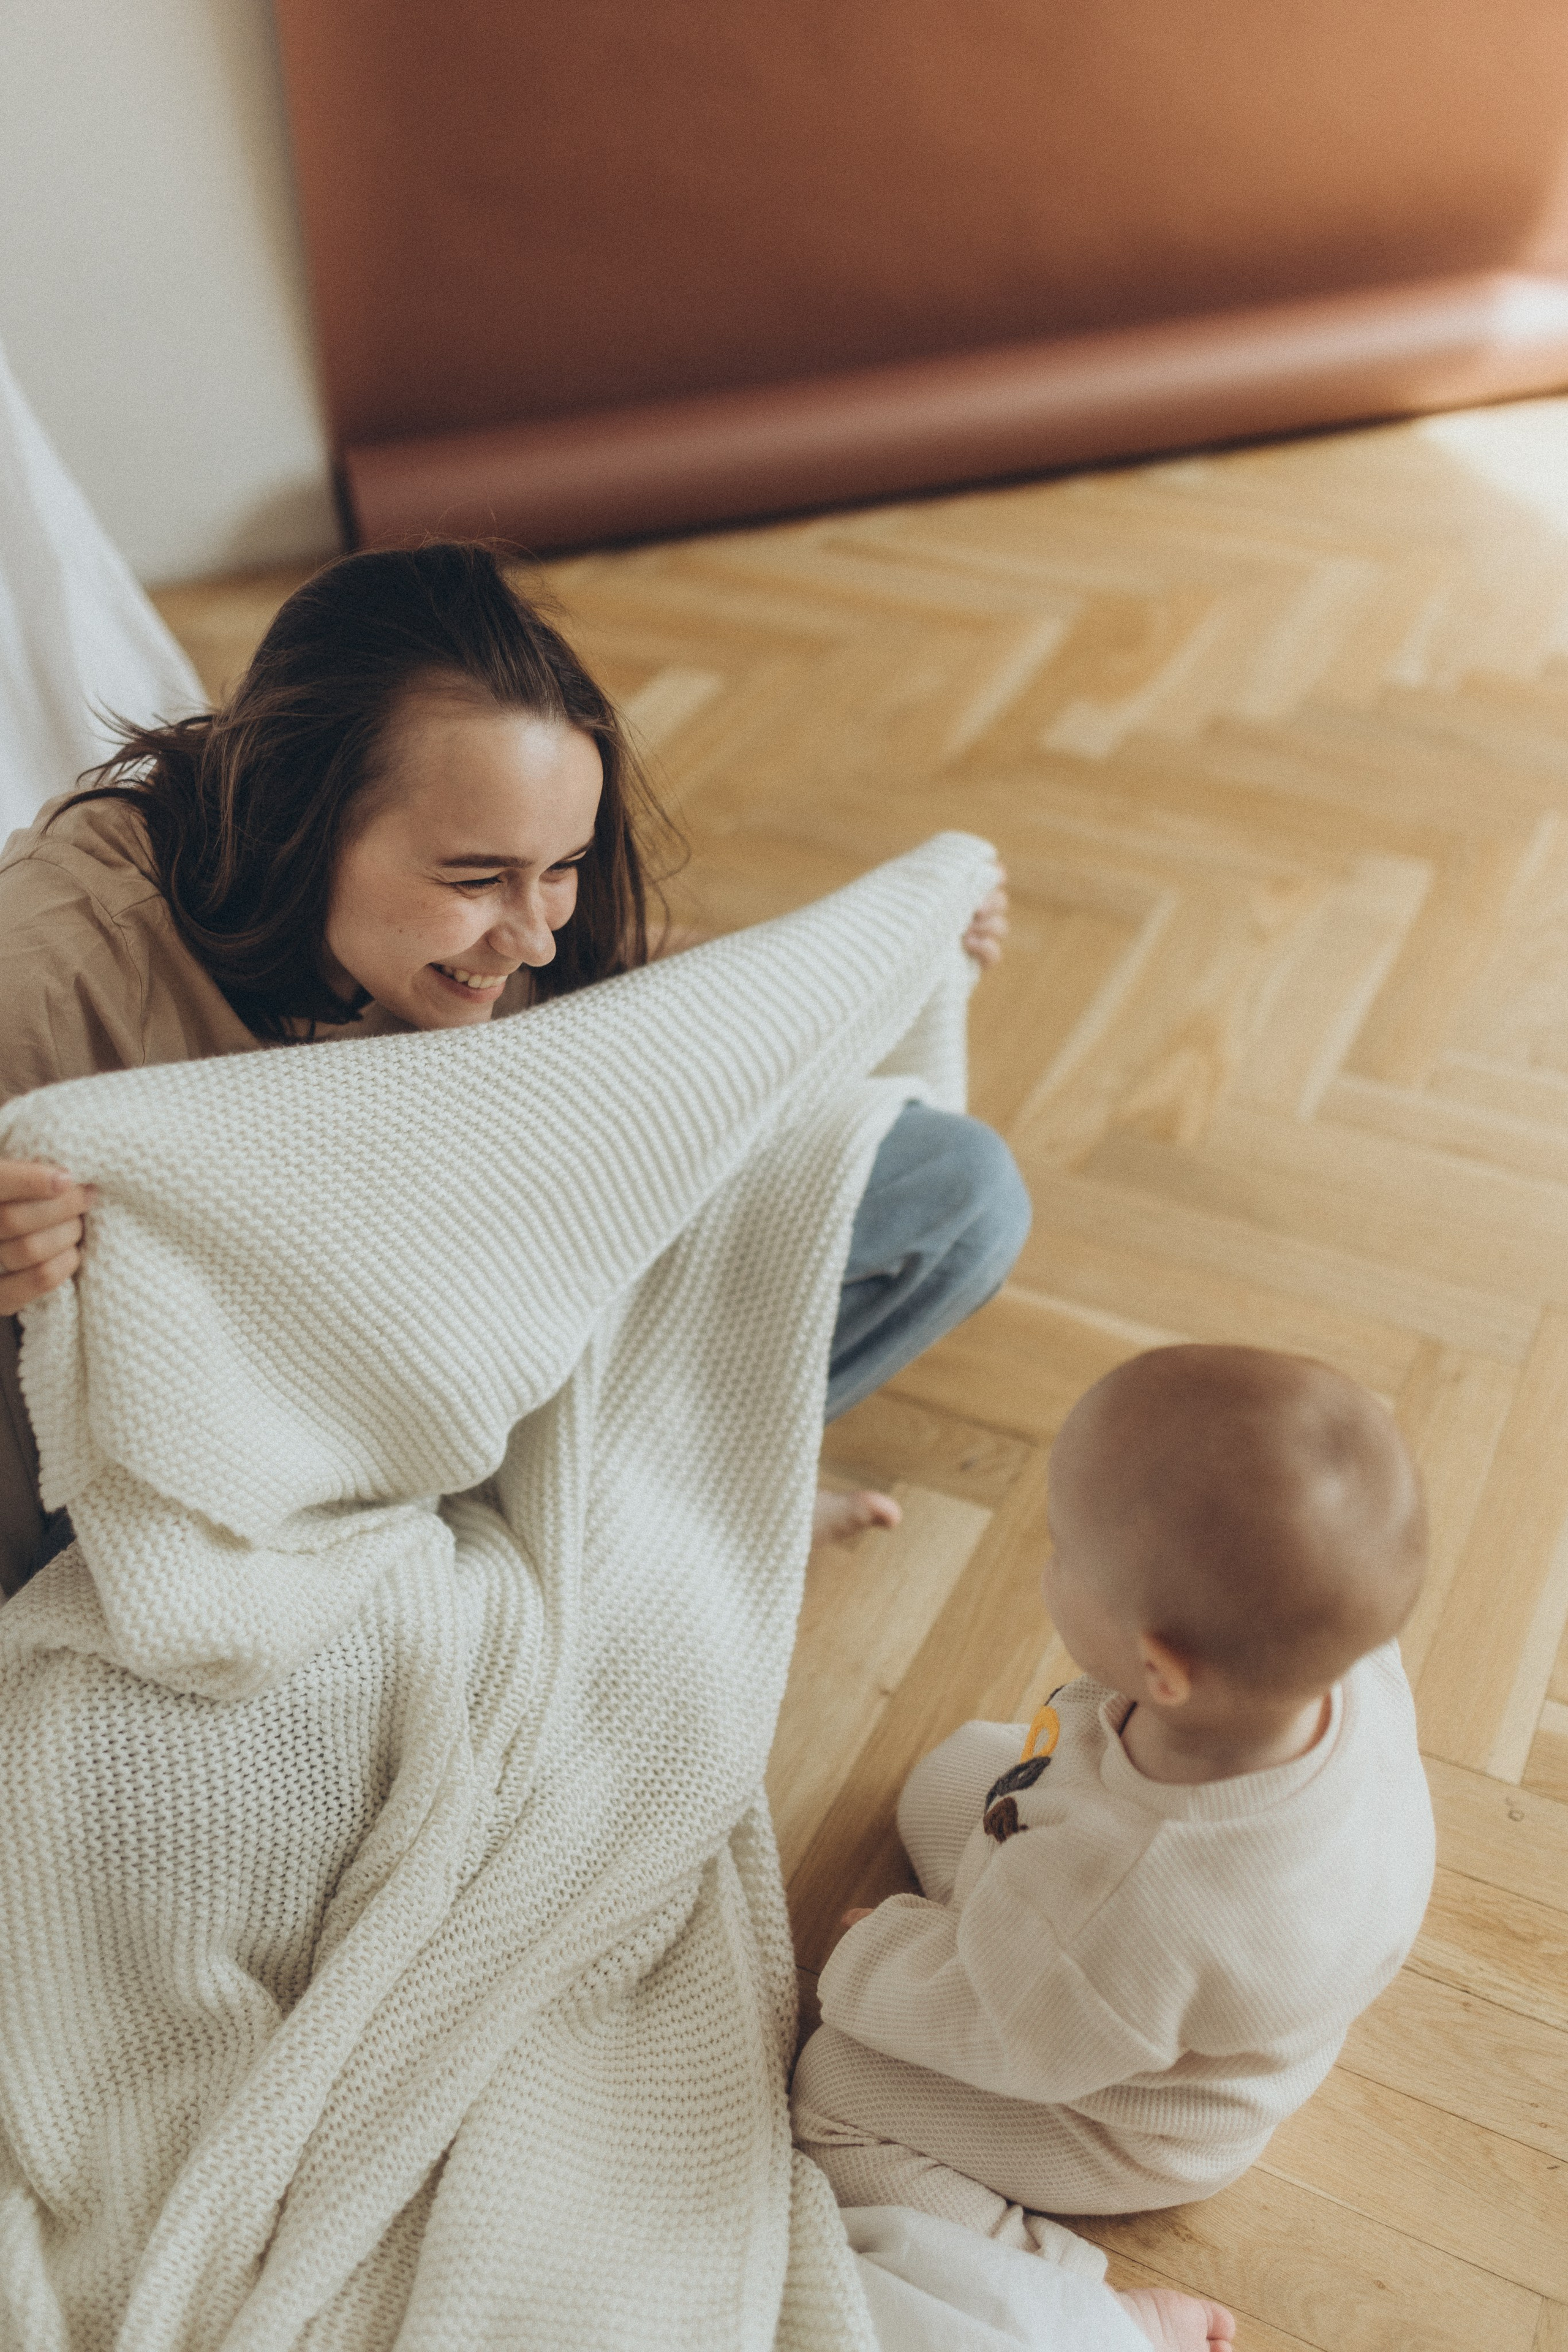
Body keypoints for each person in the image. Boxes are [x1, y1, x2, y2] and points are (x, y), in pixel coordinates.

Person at [0, 542, 1028, 1599]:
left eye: (565, 869)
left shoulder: (488, 928)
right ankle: (579, 1535)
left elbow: (611, 992)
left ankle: (666, 1495)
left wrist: (865, 957)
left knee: (955, 1195)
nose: (533, 938)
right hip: (232, 1444)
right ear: (297, 822)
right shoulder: (51, 974)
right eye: (479, 877)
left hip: (444, 1338)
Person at [792, 1344, 1435, 2239]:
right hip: (1124, 1966)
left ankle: (1054, 2290)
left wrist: (877, 1963)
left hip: (1117, 2115)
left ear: (1161, 1670)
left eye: (1063, 1552)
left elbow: (1010, 2031)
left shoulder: (1135, 1899)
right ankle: (994, 1929)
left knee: (833, 2087)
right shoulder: (1333, 1657)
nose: (1047, 1560)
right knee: (952, 1771)